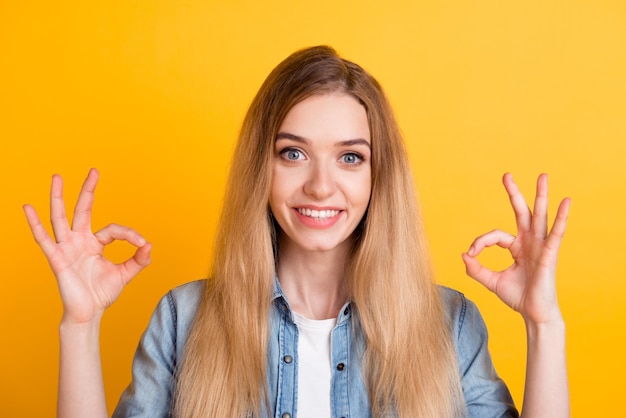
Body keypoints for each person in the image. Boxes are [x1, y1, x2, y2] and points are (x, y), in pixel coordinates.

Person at [23, 46, 570, 418]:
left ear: (381, 176)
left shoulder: (449, 326)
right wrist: (81, 323)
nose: (321, 185)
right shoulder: (182, 320)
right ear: (260, 167)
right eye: (293, 153)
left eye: (351, 157)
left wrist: (544, 325)